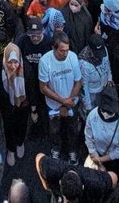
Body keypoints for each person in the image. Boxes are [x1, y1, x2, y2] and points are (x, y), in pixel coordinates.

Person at [38, 32, 82, 163]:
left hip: (72, 102)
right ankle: (56, 149)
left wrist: (68, 102)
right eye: (61, 51)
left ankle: (72, 151)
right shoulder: (45, 61)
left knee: (73, 129)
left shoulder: (73, 57)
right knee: (54, 130)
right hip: (54, 106)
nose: (65, 54)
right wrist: (63, 102)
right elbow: (43, 87)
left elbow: (78, 82)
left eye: (67, 50)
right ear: (53, 48)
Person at [84, 84, 119, 177]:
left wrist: (101, 160)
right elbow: (88, 137)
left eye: (110, 112)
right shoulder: (92, 116)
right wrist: (94, 156)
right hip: (95, 155)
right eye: (104, 110)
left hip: (112, 160)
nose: (106, 114)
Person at [0, 43, 29, 166]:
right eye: (10, 62)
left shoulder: (26, 67)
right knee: (8, 126)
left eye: (15, 62)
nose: (13, 66)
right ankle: (11, 149)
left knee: (22, 124)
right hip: (6, 104)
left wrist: (32, 107)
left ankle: (20, 143)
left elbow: (31, 85)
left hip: (23, 103)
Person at [78, 34, 112, 115]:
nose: (100, 55)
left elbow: (107, 64)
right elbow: (84, 87)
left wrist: (109, 78)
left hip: (103, 89)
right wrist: (88, 106)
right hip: (91, 94)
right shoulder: (83, 64)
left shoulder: (104, 49)